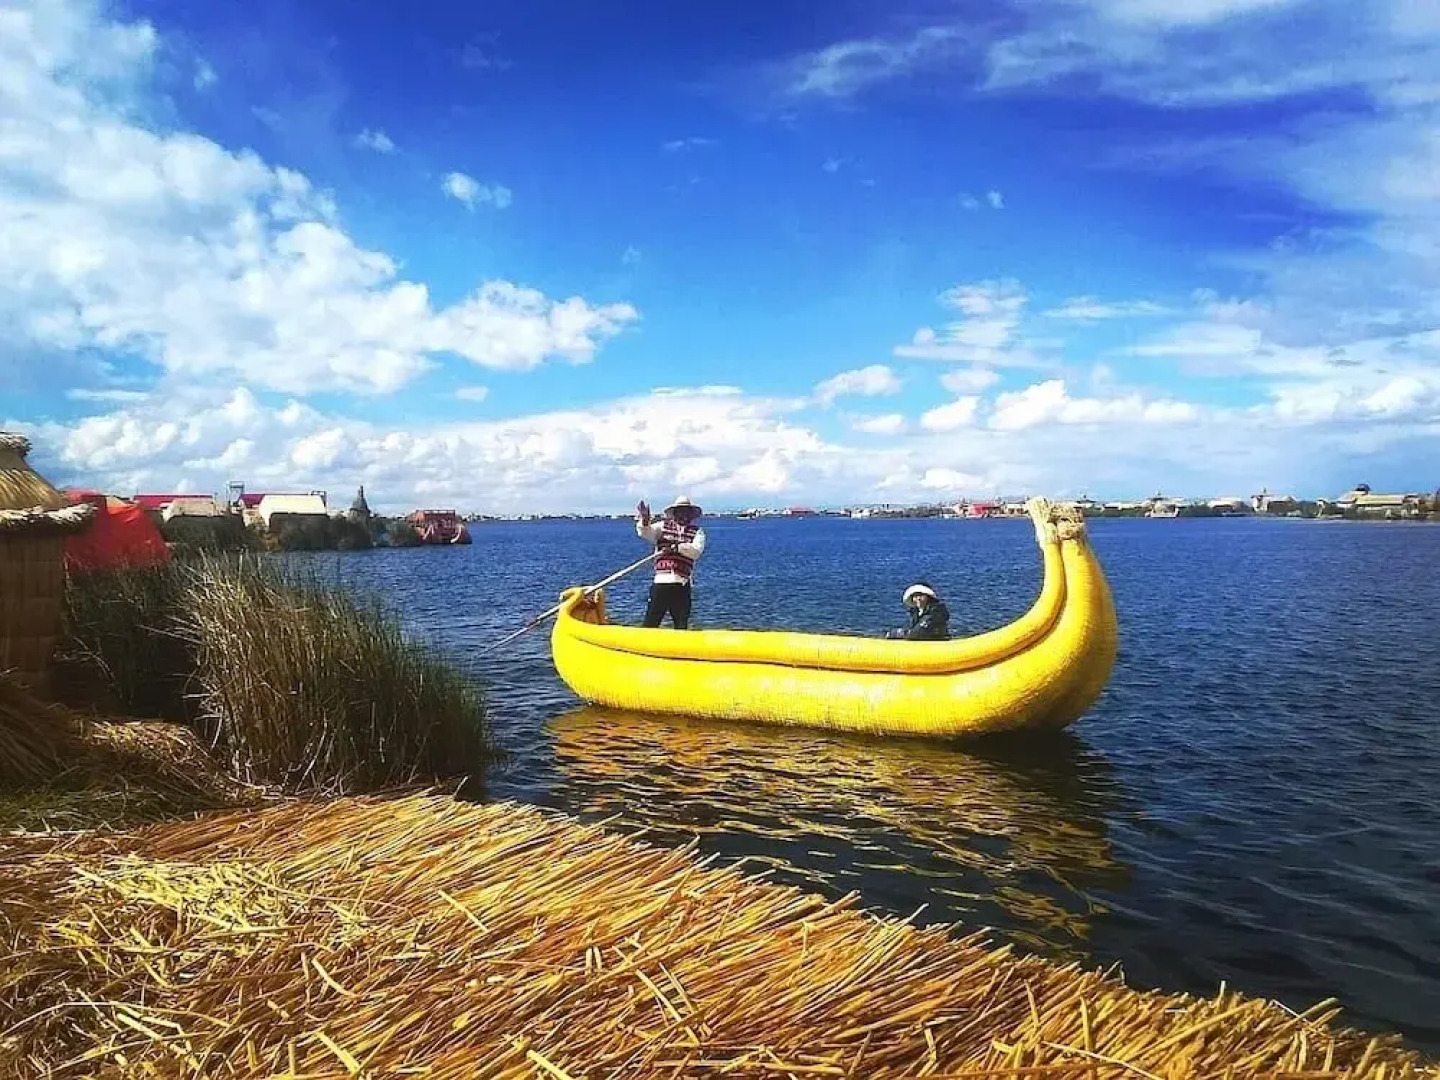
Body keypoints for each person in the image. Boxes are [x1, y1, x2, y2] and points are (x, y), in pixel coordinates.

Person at [635, 495, 707, 629]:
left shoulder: (697, 532)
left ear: (691, 514)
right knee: (651, 622)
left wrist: (677, 547)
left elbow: (696, 551)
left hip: (682, 583)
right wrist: (645, 520)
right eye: (680, 511)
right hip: (662, 581)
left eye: (686, 512)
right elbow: (646, 533)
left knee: (681, 624)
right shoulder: (662, 527)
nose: (683, 515)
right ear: (674, 513)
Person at [885, 582, 950, 641]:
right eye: (915, 596)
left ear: (928, 597)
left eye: (921, 595)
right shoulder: (916, 612)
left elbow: (917, 633)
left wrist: (894, 633)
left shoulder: (935, 612)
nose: (918, 598)